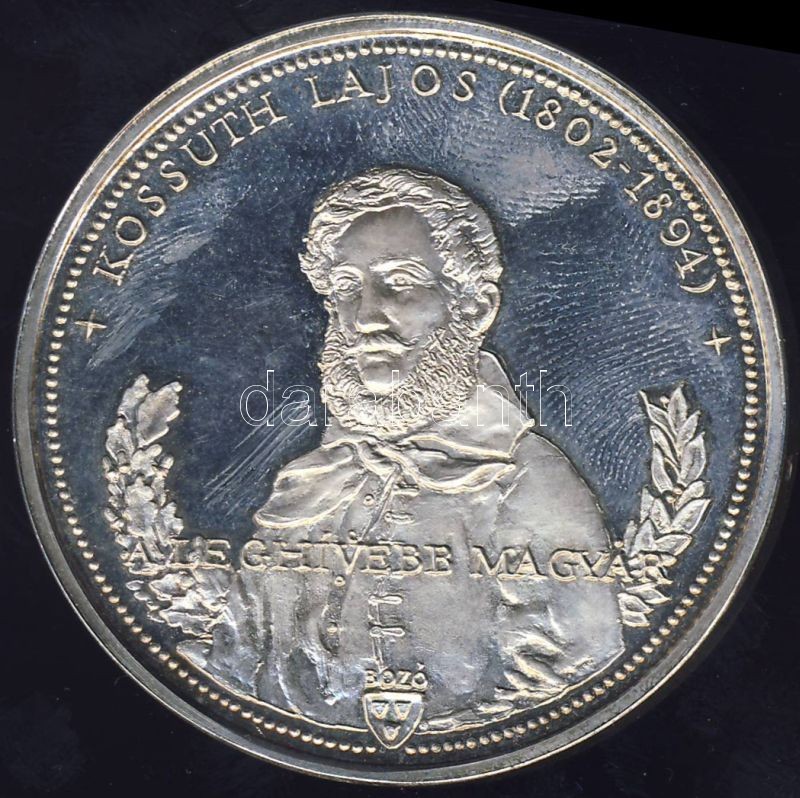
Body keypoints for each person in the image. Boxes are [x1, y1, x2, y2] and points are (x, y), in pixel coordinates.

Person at [182, 167, 623, 745]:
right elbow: (233, 669)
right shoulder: (307, 482)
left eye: (400, 282)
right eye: (346, 288)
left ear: (475, 307)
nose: (365, 316)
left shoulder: (532, 483)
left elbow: (571, 689)